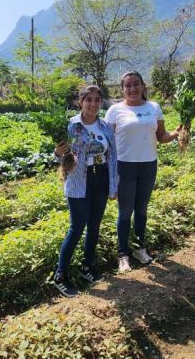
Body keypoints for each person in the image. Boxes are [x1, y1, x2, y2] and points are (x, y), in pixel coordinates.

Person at [104, 70, 180, 272]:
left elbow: (161, 136)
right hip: (124, 166)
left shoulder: (154, 108)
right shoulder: (114, 111)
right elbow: (107, 144)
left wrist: (178, 132)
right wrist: (109, 174)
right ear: (122, 89)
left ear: (143, 86)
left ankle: (139, 248)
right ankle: (122, 255)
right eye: (127, 85)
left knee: (142, 210)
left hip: (148, 165)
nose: (132, 88)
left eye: (136, 84)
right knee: (125, 212)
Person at [53, 85, 118, 297]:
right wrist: (57, 153)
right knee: (76, 228)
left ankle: (87, 267)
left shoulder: (106, 126)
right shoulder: (71, 125)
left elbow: (113, 156)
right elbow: (59, 156)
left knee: (94, 226)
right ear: (80, 101)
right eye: (88, 99)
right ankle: (60, 275)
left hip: (101, 177)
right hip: (79, 179)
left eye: (96, 100)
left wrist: (113, 184)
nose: (92, 104)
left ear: (101, 102)